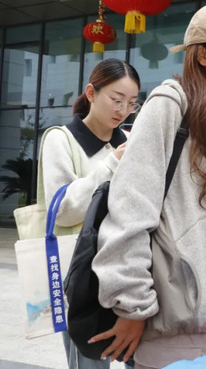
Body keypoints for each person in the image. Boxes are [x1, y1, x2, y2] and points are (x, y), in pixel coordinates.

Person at [91, 1, 206, 368]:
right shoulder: (168, 107)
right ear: (202, 55)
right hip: (172, 332)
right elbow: (130, 210)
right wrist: (133, 306)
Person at [40, 58, 140, 369]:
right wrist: (112, 164)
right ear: (91, 93)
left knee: (138, 359)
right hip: (82, 277)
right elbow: (63, 211)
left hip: (127, 272)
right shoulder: (61, 139)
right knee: (88, 363)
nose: (123, 110)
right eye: (116, 99)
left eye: (131, 103)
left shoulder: (130, 142)